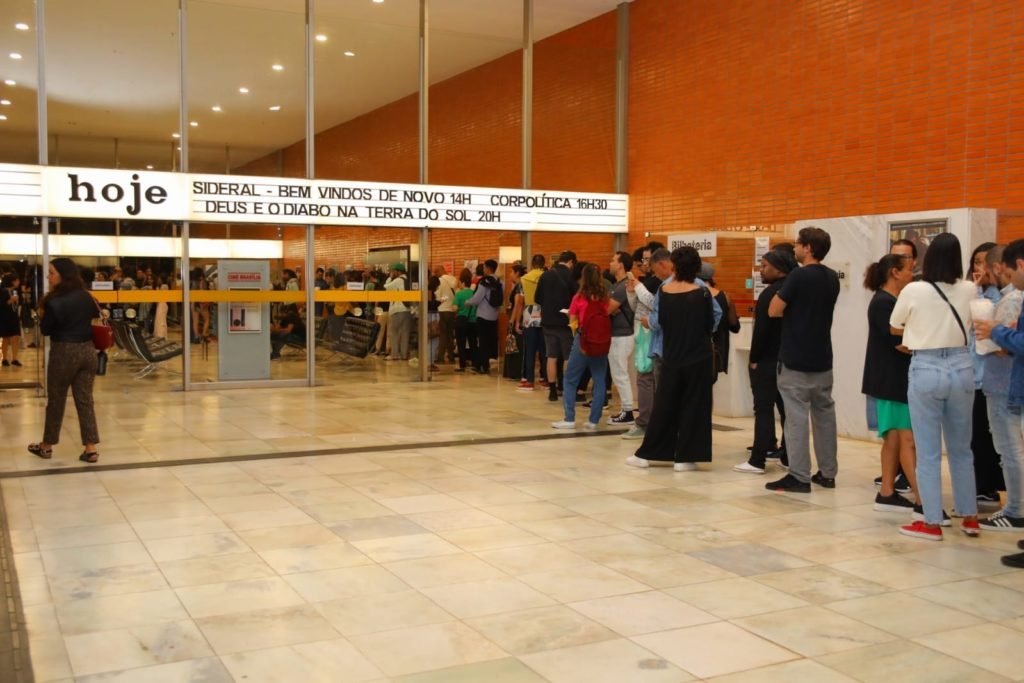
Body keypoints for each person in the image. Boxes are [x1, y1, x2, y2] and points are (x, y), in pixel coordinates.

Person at [891, 232, 979, 540]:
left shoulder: (914, 288)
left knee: (927, 451)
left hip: (926, 366)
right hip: (961, 366)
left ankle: (930, 522)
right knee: (961, 449)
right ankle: (969, 517)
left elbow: (895, 324)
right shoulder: (970, 288)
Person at [765, 226, 841, 493]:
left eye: (798, 244)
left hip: (795, 357)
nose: (794, 248)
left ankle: (799, 476)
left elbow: (774, 310)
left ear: (808, 248)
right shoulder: (832, 278)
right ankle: (828, 473)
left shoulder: (798, 276)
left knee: (795, 419)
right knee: (825, 417)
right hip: (823, 358)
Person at [627, 246, 715, 471]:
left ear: (674, 265)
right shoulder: (702, 291)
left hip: (671, 356)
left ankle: (648, 453)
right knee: (694, 406)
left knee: (664, 405)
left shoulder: (665, 292)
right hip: (698, 356)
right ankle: (686, 458)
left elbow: (659, 322)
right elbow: (712, 320)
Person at [27, 258, 100, 463]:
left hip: (64, 352)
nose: (49, 277)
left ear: (63, 275)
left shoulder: (54, 301)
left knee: (57, 401)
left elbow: (46, 330)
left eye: (51, 272)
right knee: (85, 400)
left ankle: (46, 446)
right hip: (88, 351)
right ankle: (90, 448)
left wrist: (42, 315)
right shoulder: (86, 296)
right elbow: (94, 316)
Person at [861, 253, 919, 513]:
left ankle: (887, 491)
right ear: (895, 272)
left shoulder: (892, 301)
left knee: (895, 439)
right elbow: (900, 344)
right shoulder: (883, 303)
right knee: (904, 439)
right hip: (890, 381)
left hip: (893, 380)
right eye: (909, 270)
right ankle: (922, 498)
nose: (912, 275)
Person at [975, 244, 1024, 533]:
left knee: (1009, 449)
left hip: (1004, 383)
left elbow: (1009, 345)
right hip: (1007, 382)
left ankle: (1016, 510)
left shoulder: (1010, 299)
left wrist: (996, 332)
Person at [735, 247, 795, 474]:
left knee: (763, 409)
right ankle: (789, 456)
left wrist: (754, 359)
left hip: (768, 361)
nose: (761, 270)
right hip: (788, 360)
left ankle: (757, 459)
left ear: (778, 268)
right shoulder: (792, 291)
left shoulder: (770, 295)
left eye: (765, 266)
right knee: (787, 410)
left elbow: (761, 332)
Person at [968, 242, 1006, 508]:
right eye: (976, 263)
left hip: (991, 375)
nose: (979, 268)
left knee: (987, 436)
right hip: (971, 374)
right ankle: (982, 485)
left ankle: (989, 487)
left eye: (985, 263)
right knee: (975, 434)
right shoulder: (971, 292)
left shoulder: (999, 296)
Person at [551, 263, 610, 430]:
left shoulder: (578, 297)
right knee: (599, 380)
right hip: (601, 341)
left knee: (570, 379)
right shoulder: (604, 296)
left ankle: (569, 418)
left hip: (583, 340)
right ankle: (593, 420)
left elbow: (573, 322)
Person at [536, 251, 577, 401]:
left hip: (548, 321)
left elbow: (537, 298)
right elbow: (576, 297)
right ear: (571, 262)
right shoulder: (571, 276)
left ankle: (552, 390)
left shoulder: (545, 275)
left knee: (551, 356)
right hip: (566, 322)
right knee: (567, 357)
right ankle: (565, 388)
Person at [606, 251, 637, 424]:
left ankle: (628, 411)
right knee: (619, 373)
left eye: (613, 260)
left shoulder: (623, 286)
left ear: (621, 265)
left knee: (620, 374)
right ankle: (626, 409)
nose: (610, 263)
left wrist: (610, 307)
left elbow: (606, 310)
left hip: (622, 335)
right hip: (618, 334)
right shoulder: (616, 285)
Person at [701, 263, 740, 380]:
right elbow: (735, 327)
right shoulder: (725, 297)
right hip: (717, 352)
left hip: (695, 350)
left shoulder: (692, 295)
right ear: (711, 277)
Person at [515, 254, 548, 390]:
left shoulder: (524, 279)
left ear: (533, 264)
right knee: (545, 349)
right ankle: (546, 378)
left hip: (529, 313)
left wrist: (517, 321)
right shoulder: (548, 277)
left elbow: (520, 302)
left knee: (530, 349)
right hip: (545, 313)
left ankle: (529, 380)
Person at [466, 259, 502, 375]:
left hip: (483, 316)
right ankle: (489, 363)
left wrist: (468, 302)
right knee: (490, 341)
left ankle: (482, 366)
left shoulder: (484, 282)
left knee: (482, 342)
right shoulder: (499, 281)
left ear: (487, 268)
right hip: (494, 316)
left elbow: (477, 298)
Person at [385, 263, 412, 360]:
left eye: (393, 271)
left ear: (397, 271)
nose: (392, 273)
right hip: (407, 309)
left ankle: (395, 355)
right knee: (405, 333)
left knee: (394, 333)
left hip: (397, 309)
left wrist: (389, 277)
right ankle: (404, 355)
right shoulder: (408, 280)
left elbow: (386, 288)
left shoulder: (398, 280)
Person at [453, 268, 478, 373]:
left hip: (461, 321)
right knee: (473, 343)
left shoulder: (459, 294)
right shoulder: (474, 293)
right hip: (472, 320)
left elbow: (455, 308)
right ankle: (475, 364)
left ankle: (462, 365)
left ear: (462, 282)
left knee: (461, 343)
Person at [434, 265, 458, 365]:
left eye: (436, 273)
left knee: (443, 335)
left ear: (439, 272)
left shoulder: (439, 281)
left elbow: (438, 297)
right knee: (450, 335)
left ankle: (440, 357)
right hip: (453, 311)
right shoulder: (454, 279)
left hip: (443, 310)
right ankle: (451, 357)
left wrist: (444, 299)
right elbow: (457, 293)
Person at [0, 274, 22, 367]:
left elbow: (17, 304)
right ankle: (4, 358)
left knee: (16, 337)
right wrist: (10, 301)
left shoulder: (15, 291)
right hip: (5, 317)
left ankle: (14, 358)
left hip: (14, 317)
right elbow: (1, 304)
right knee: (5, 338)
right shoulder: (3, 292)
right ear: (13, 281)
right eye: (17, 280)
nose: (19, 282)